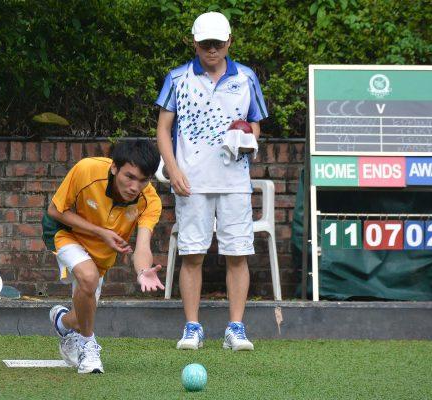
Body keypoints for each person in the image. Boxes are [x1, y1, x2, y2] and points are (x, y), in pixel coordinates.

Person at [155, 11, 268, 351]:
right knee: (192, 254)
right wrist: (173, 170)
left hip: (235, 181)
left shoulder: (246, 78)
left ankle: (236, 328)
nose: (212, 50)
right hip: (192, 182)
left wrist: (248, 137)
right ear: (195, 43)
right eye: (205, 44)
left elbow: (256, 123)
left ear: (229, 42)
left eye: (218, 44)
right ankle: (192, 327)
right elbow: (162, 129)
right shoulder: (177, 78)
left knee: (237, 254)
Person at [41, 140, 164, 373]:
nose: (134, 186)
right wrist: (101, 232)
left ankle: (62, 322)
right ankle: (88, 345)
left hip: (101, 253)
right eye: (130, 176)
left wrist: (143, 271)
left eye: (143, 180)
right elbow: (55, 210)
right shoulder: (87, 169)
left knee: (80, 318)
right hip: (66, 232)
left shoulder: (150, 201)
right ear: (114, 168)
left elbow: (143, 244)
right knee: (88, 277)